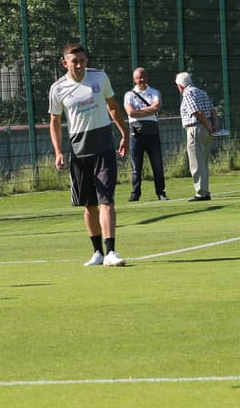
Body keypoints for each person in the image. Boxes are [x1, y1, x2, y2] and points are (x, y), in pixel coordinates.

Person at [47, 43, 129, 267]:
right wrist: (57, 151)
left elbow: (113, 106)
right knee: (88, 204)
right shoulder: (58, 88)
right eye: (75, 61)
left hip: (103, 145)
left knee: (107, 200)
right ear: (65, 63)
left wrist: (124, 133)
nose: (80, 65)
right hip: (79, 150)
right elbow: (55, 121)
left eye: (83, 60)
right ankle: (97, 252)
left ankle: (111, 251)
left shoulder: (100, 78)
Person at [123, 67, 167, 202]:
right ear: (134, 79)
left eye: (143, 77)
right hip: (136, 134)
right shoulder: (129, 95)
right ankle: (135, 194)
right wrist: (148, 110)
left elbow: (156, 107)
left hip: (152, 133)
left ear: (147, 77)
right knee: (136, 167)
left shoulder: (154, 92)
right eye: (138, 78)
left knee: (157, 165)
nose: (141, 80)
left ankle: (161, 193)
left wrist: (139, 110)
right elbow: (130, 113)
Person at [175, 71, 218, 201]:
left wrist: (208, 125)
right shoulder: (201, 92)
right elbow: (213, 111)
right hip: (206, 129)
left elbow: (196, 112)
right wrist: (213, 126)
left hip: (195, 128)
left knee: (196, 162)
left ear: (180, 85)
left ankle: (201, 192)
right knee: (203, 162)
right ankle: (205, 190)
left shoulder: (187, 93)